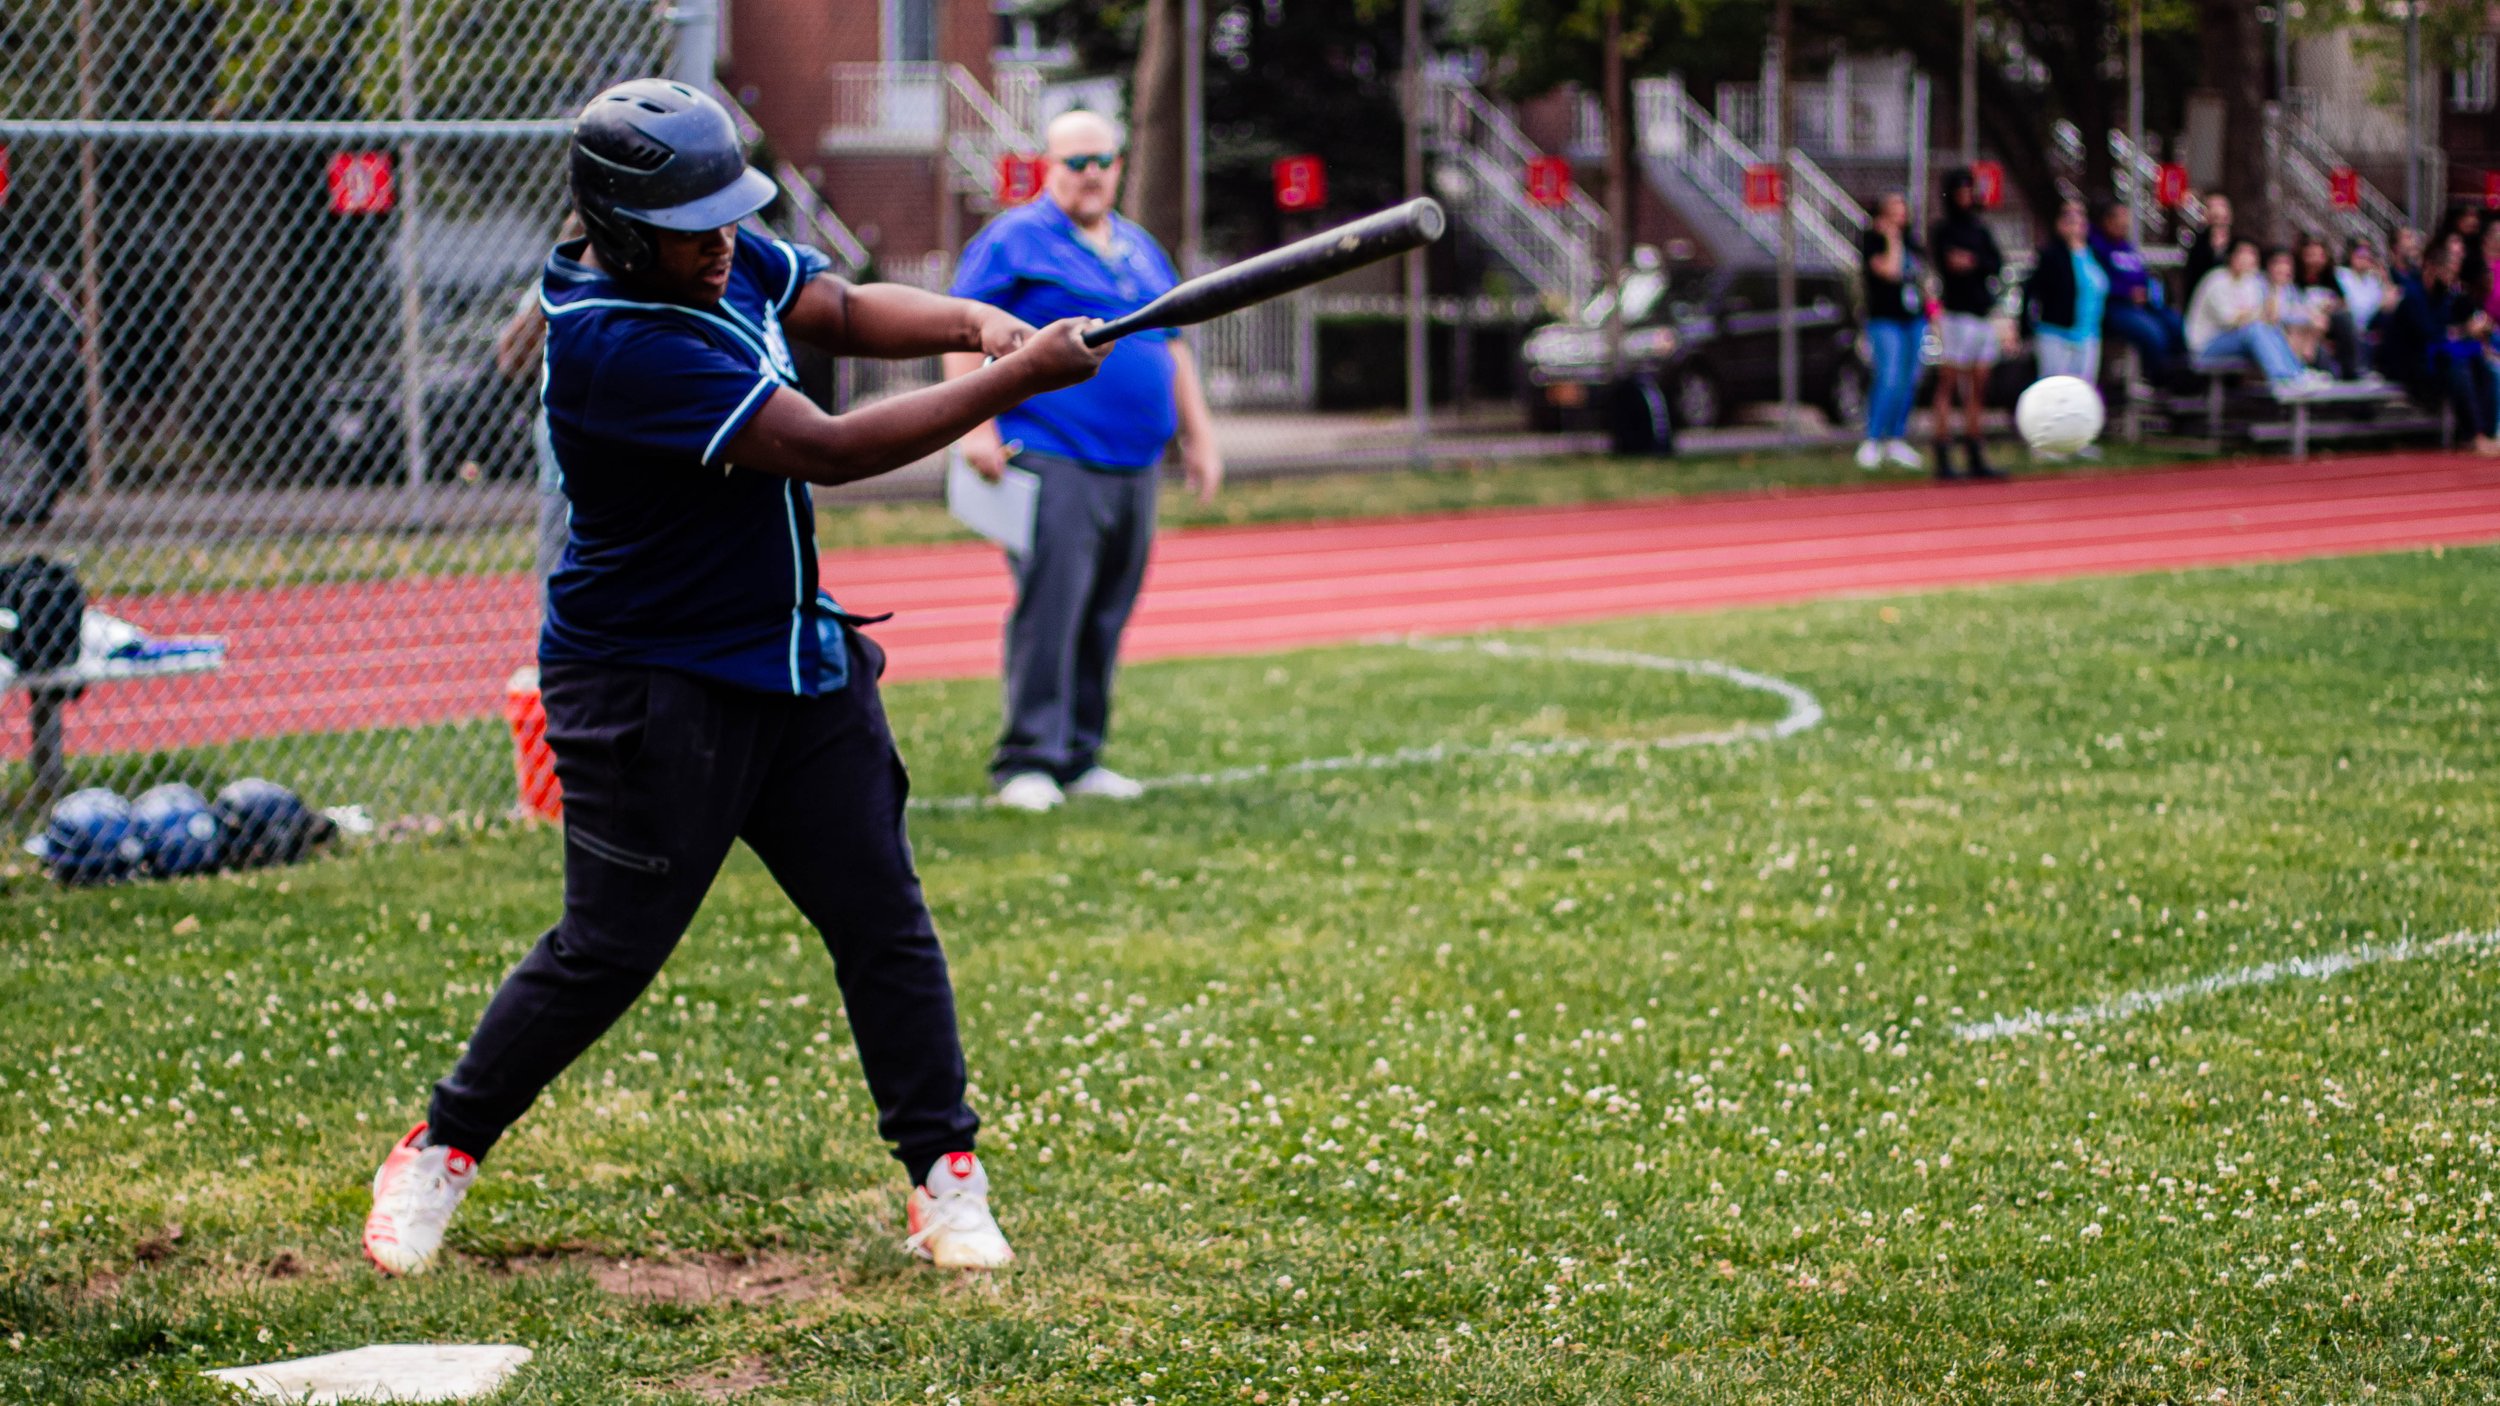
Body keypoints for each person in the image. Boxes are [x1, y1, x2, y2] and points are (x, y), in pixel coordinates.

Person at [360, 79, 1110, 1280]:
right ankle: (439, 1146)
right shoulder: (616, 340)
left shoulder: (707, 250)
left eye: (728, 214)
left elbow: (842, 303)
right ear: (614, 225)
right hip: (653, 686)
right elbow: (826, 445)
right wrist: (1014, 380)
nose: (723, 239)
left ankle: (942, 1175)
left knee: (882, 919)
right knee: (608, 949)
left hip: (792, 664)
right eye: (694, 222)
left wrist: (975, 321)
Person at [942, 110, 1223, 814]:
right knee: (1054, 606)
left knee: (1106, 610)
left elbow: (1173, 347)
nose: (1091, 174)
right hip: (1053, 453)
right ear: (1049, 167)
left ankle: (1080, 755)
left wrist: (1200, 436)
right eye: (1075, 162)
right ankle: (1029, 758)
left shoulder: (1138, 248)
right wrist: (975, 426)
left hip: (1133, 462)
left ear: (1120, 165)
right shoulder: (1015, 239)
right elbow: (959, 326)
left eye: (1102, 160)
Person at [1927, 168, 2006, 480]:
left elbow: (1994, 262)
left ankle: (1974, 447)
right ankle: (1942, 449)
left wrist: (1973, 261)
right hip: (1956, 314)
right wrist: (1969, 263)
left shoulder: (1980, 228)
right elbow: (1950, 263)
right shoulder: (1943, 229)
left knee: (1979, 383)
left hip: (1980, 313)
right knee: (1948, 381)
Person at [2384, 241, 2500, 452]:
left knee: (2483, 362)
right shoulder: (2412, 297)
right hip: (2413, 364)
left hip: (2438, 357)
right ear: (2431, 269)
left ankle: (2489, 432)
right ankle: (2474, 435)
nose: (2450, 278)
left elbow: (2453, 330)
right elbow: (2431, 336)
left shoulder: (2445, 296)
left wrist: (2473, 336)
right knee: (2459, 367)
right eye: (2446, 272)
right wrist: (2464, 332)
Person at [2184, 237, 2322, 391]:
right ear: (2231, 256)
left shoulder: (2250, 283)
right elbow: (2232, 321)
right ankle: (2282, 380)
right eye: (2242, 253)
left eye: (2251, 254)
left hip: (2235, 340)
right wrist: (2255, 315)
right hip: (2206, 346)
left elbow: (2264, 317)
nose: (2247, 259)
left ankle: (2298, 373)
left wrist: (2275, 290)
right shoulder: (2216, 280)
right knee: (2255, 329)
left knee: (2269, 329)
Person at [1855, 191, 1925, 470]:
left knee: (1910, 378)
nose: (1900, 213)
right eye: (1894, 207)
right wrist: (1892, 240)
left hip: (1913, 318)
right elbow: (1891, 272)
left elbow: (1922, 278)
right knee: (1889, 376)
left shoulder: (1912, 242)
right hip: (1885, 319)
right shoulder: (1874, 241)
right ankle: (1872, 438)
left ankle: (1897, 436)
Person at [2090, 198, 2184, 385]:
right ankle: (2159, 380)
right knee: (2152, 332)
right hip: (2115, 307)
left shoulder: (2126, 247)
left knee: (2174, 322)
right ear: (2106, 220)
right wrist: (2126, 292)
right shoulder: (2097, 247)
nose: (2125, 222)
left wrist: (2146, 292)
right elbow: (2099, 282)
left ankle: (2182, 374)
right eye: (2120, 217)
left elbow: (2143, 276)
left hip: (2142, 304)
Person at [2025, 198, 2110, 384]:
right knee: (2056, 388)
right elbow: (2032, 289)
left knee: (2083, 389)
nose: (2075, 222)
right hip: (2057, 333)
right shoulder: (2051, 255)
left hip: (2089, 333)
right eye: (2069, 216)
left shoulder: (2094, 253)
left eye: (2080, 216)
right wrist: (2025, 326)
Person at [2290, 234, 2364, 378]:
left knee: (2345, 318)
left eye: (2320, 255)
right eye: (2311, 255)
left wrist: (2331, 307)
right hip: (2304, 325)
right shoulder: (2294, 277)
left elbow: (2343, 303)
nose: (2316, 260)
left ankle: (2351, 371)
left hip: (2327, 322)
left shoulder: (2329, 276)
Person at [2266, 246, 2331, 370]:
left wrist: (2310, 317)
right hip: (2272, 330)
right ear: (2270, 266)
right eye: (2278, 264)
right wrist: (2308, 319)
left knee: (2315, 323)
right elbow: (2276, 316)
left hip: (2291, 330)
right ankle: (2298, 371)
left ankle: (2302, 366)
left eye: (2287, 264)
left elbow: (2299, 309)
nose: (2283, 268)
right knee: (2298, 330)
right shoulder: (2264, 287)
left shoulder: (2291, 289)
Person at [2180, 192, 2234, 304]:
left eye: (2222, 206)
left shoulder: (2237, 243)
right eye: (2212, 208)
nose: (2217, 210)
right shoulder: (2197, 243)